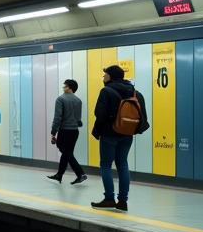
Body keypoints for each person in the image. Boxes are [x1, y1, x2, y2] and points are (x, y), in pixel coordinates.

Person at [91, 65, 149, 212]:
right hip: (127, 134)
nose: (103, 77)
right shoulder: (135, 92)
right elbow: (143, 115)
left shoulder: (106, 91)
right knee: (122, 164)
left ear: (111, 76)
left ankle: (109, 198)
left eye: (105, 75)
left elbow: (100, 114)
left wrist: (96, 132)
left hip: (109, 134)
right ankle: (123, 201)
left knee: (105, 165)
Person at [48, 79, 87, 185]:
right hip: (74, 131)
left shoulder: (61, 99)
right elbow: (78, 119)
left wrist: (53, 131)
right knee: (67, 152)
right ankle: (59, 175)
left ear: (69, 87)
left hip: (65, 130)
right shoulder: (78, 100)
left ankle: (80, 174)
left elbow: (58, 117)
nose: (63, 88)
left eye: (64, 86)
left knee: (66, 152)